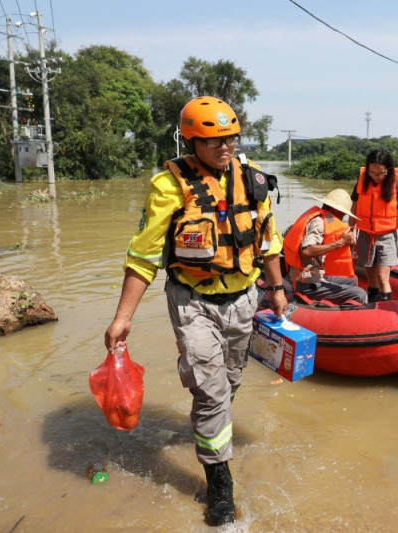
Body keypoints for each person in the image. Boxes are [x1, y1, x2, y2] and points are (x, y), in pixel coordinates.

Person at [104, 96, 287, 526]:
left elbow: (269, 241)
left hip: (244, 299)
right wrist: (123, 317)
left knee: (230, 382)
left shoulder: (254, 180)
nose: (225, 148)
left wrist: (277, 289)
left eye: (231, 139)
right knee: (210, 392)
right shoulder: (168, 186)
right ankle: (220, 487)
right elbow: (143, 256)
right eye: (213, 142)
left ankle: (212, 421)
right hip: (194, 302)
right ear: (190, 141)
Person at [283, 189, 367, 305]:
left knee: (353, 280)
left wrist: (348, 243)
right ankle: (334, 316)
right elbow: (307, 251)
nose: (343, 217)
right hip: (306, 282)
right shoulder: (319, 223)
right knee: (360, 294)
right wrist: (340, 242)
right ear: (335, 210)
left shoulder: (316, 217)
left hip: (312, 275)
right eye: (343, 213)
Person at [350, 149, 398, 302]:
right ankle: (373, 308)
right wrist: (350, 231)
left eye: (381, 173)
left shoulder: (396, 186)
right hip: (365, 234)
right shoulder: (361, 181)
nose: (376, 177)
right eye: (372, 173)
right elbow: (354, 208)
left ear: (388, 170)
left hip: (387, 236)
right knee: (371, 278)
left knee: (383, 277)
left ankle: (385, 310)